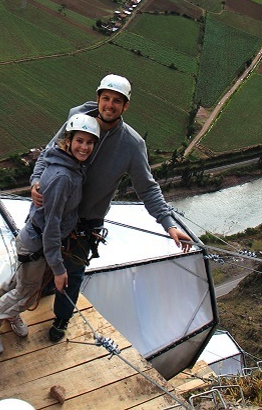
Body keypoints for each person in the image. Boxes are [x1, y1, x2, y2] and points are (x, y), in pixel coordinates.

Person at [31, 73, 194, 342]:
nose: (110, 105)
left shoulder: (131, 145)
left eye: (117, 101)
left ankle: (61, 318)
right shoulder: (78, 120)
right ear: (98, 99)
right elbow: (50, 152)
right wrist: (36, 181)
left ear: (125, 106)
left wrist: (169, 224)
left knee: (72, 272)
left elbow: (147, 187)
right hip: (54, 207)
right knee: (37, 258)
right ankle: (41, 290)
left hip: (85, 220)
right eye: (105, 98)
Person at [0, 114, 101, 355]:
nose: (84, 147)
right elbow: (52, 226)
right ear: (68, 141)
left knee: (20, 282)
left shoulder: (68, 165)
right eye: (80, 140)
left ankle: (9, 313)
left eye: (89, 142)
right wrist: (58, 269)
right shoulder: (63, 177)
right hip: (37, 244)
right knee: (25, 292)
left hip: (32, 240)